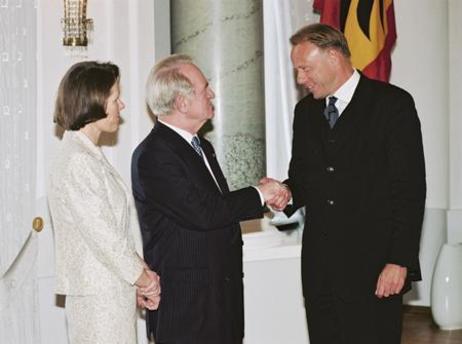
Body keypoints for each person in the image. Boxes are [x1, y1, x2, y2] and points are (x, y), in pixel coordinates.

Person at [263, 23, 426, 344]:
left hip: (375, 268)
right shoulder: (305, 112)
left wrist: (399, 260)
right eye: (297, 70)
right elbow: (303, 178)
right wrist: (285, 193)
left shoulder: (392, 104)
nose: (300, 80)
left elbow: (410, 189)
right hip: (320, 270)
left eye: (305, 69)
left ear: (334, 57)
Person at [131, 54, 285, 344]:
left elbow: (218, 212)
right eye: (205, 88)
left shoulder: (202, 147)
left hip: (220, 300)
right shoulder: (155, 155)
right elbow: (203, 212)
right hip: (188, 307)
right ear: (182, 102)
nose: (212, 93)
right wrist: (260, 193)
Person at [47, 61, 161, 344]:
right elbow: (104, 237)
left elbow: (115, 229)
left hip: (110, 294)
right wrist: (145, 280)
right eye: (114, 98)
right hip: (99, 300)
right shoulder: (77, 160)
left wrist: (139, 274)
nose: (121, 105)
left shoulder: (86, 155)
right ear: (93, 102)